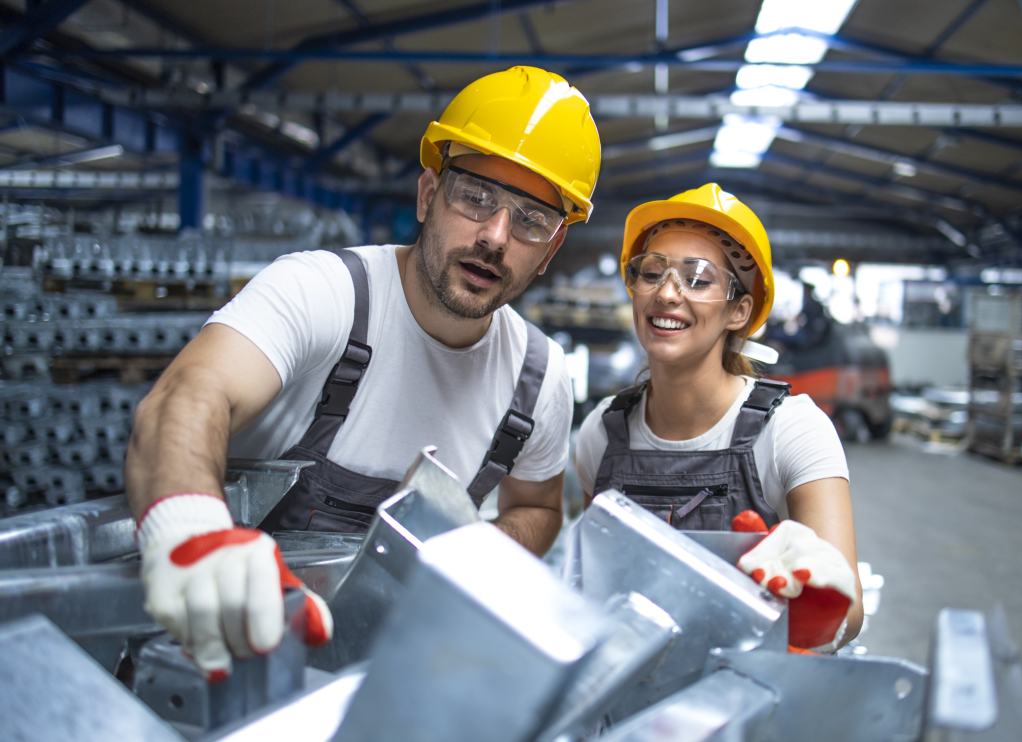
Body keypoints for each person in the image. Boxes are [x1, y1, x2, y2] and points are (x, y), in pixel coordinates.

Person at [125, 67, 601, 678]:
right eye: (475, 197)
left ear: (551, 249)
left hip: (394, 681)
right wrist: (189, 528)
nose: (495, 236)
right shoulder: (324, 292)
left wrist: (469, 560)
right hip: (223, 665)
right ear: (428, 195)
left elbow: (537, 506)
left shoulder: (539, 378)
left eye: (531, 220)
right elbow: (188, 396)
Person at [573, 184, 863, 651]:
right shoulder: (601, 435)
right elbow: (592, 583)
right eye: (652, 272)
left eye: (698, 278)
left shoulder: (791, 430)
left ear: (739, 310)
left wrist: (811, 608)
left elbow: (848, 611)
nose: (667, 293)